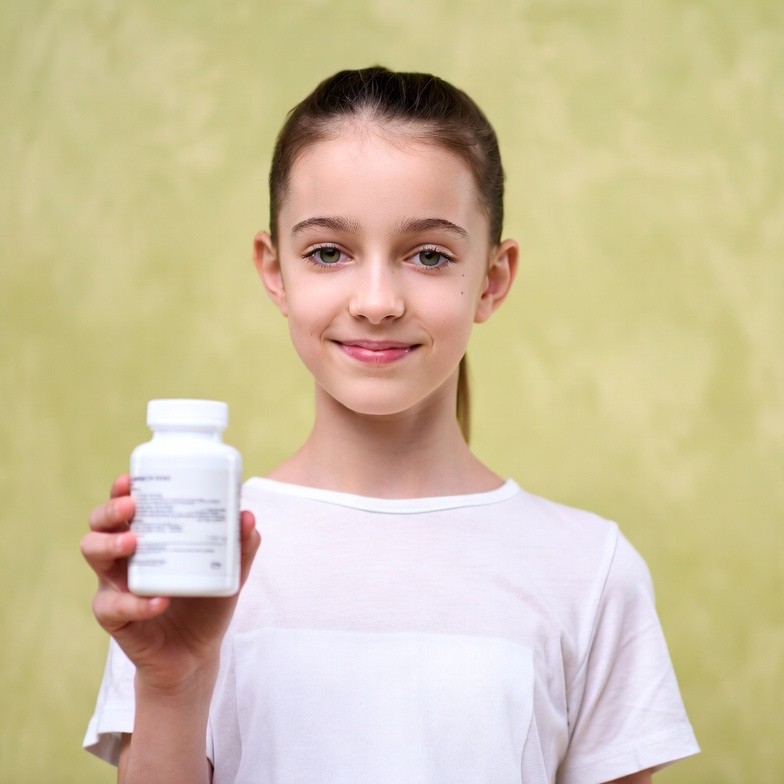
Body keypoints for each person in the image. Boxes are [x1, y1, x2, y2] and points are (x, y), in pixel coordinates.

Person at [81, 66, 699, 783]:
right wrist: (172, 682)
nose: (376, 301)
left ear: (492, 281)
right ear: (274, 270)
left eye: (429, 255)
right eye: (328, 253)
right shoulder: (192, 557)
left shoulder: (590, 572)